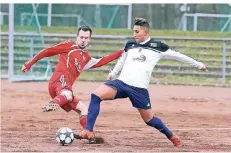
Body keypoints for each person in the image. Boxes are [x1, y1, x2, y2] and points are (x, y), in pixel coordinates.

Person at [76, 18, 207, 147]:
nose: (134, 34)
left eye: (137, 31)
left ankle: (171, 136)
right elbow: (122, 60)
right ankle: (89, 130)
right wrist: (113, 73)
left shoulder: (158, 46)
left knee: (149, 119)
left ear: (145, 32)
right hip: (121, 83)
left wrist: (199, 65)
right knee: (96, 94)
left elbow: (179, 56)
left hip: (139, 89)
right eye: (133, 31)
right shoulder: (130, 44)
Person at [21, 25, 123, 129]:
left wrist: (121, 52)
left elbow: (102, 61)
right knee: (68, 95)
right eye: (81, 37)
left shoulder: (86, 58)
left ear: (89, 39)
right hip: (58, 82)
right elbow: (47, 51)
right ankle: (53, 103)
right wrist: (29, 63)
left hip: (63, 90)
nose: (83, 40)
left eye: (86, 38)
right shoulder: (69, 46)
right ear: (77, 37)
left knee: (83, 109)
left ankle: (89, 134)